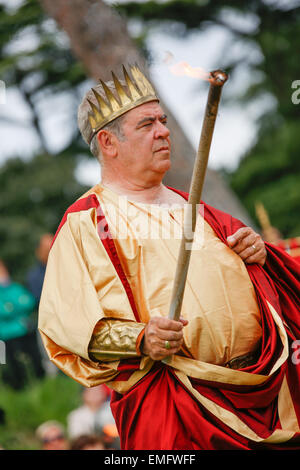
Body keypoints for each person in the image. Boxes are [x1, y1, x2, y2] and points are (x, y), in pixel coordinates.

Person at [38, 65, 300, 450]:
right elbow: (68, 325)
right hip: (176, 403)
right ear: (109, 143)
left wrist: (258, 254)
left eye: (163, 121)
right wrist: (142, 339)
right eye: (147, 124)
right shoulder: (86, 222)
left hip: (262, 390)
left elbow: (263, 275)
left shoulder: (198, 207)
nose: (164, 131)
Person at [0, 260, 44, 389]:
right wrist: (16, 307)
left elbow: (29, 302)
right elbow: (4, 311)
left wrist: (12, 307)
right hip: (8, 335)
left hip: (26, 330)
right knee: (16, 365)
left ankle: (40, 385)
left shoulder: (16, 287)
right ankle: (21, 389)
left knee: (36, 360)